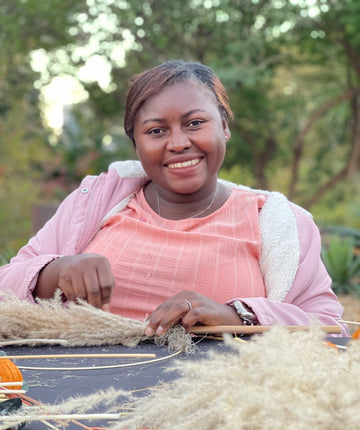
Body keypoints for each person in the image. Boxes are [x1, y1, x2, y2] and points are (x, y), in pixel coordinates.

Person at [0, 60, 348, 337]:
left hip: (223, 408)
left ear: (224, 126)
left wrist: (235, 315)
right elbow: (7, 285)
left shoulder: (277, 221)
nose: (178, 142)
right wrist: (57, 271)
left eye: (195, 123)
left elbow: (329, 329)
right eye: (156, 131)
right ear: (136, 145)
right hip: (78, 404)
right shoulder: (97, 201)